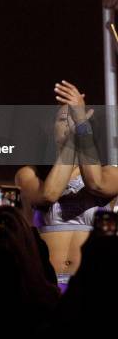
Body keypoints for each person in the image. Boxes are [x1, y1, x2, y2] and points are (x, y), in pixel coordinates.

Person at [15, 80, 114, 293]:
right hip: (45, 285)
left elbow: (96, 184)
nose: (69, 124)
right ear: (53, 129)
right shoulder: (30, 174)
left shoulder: (111, 172)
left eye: (75, 119)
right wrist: (75, 136)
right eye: (63, 119)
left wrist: (81, 130)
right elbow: (49, 195)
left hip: (91, 288)